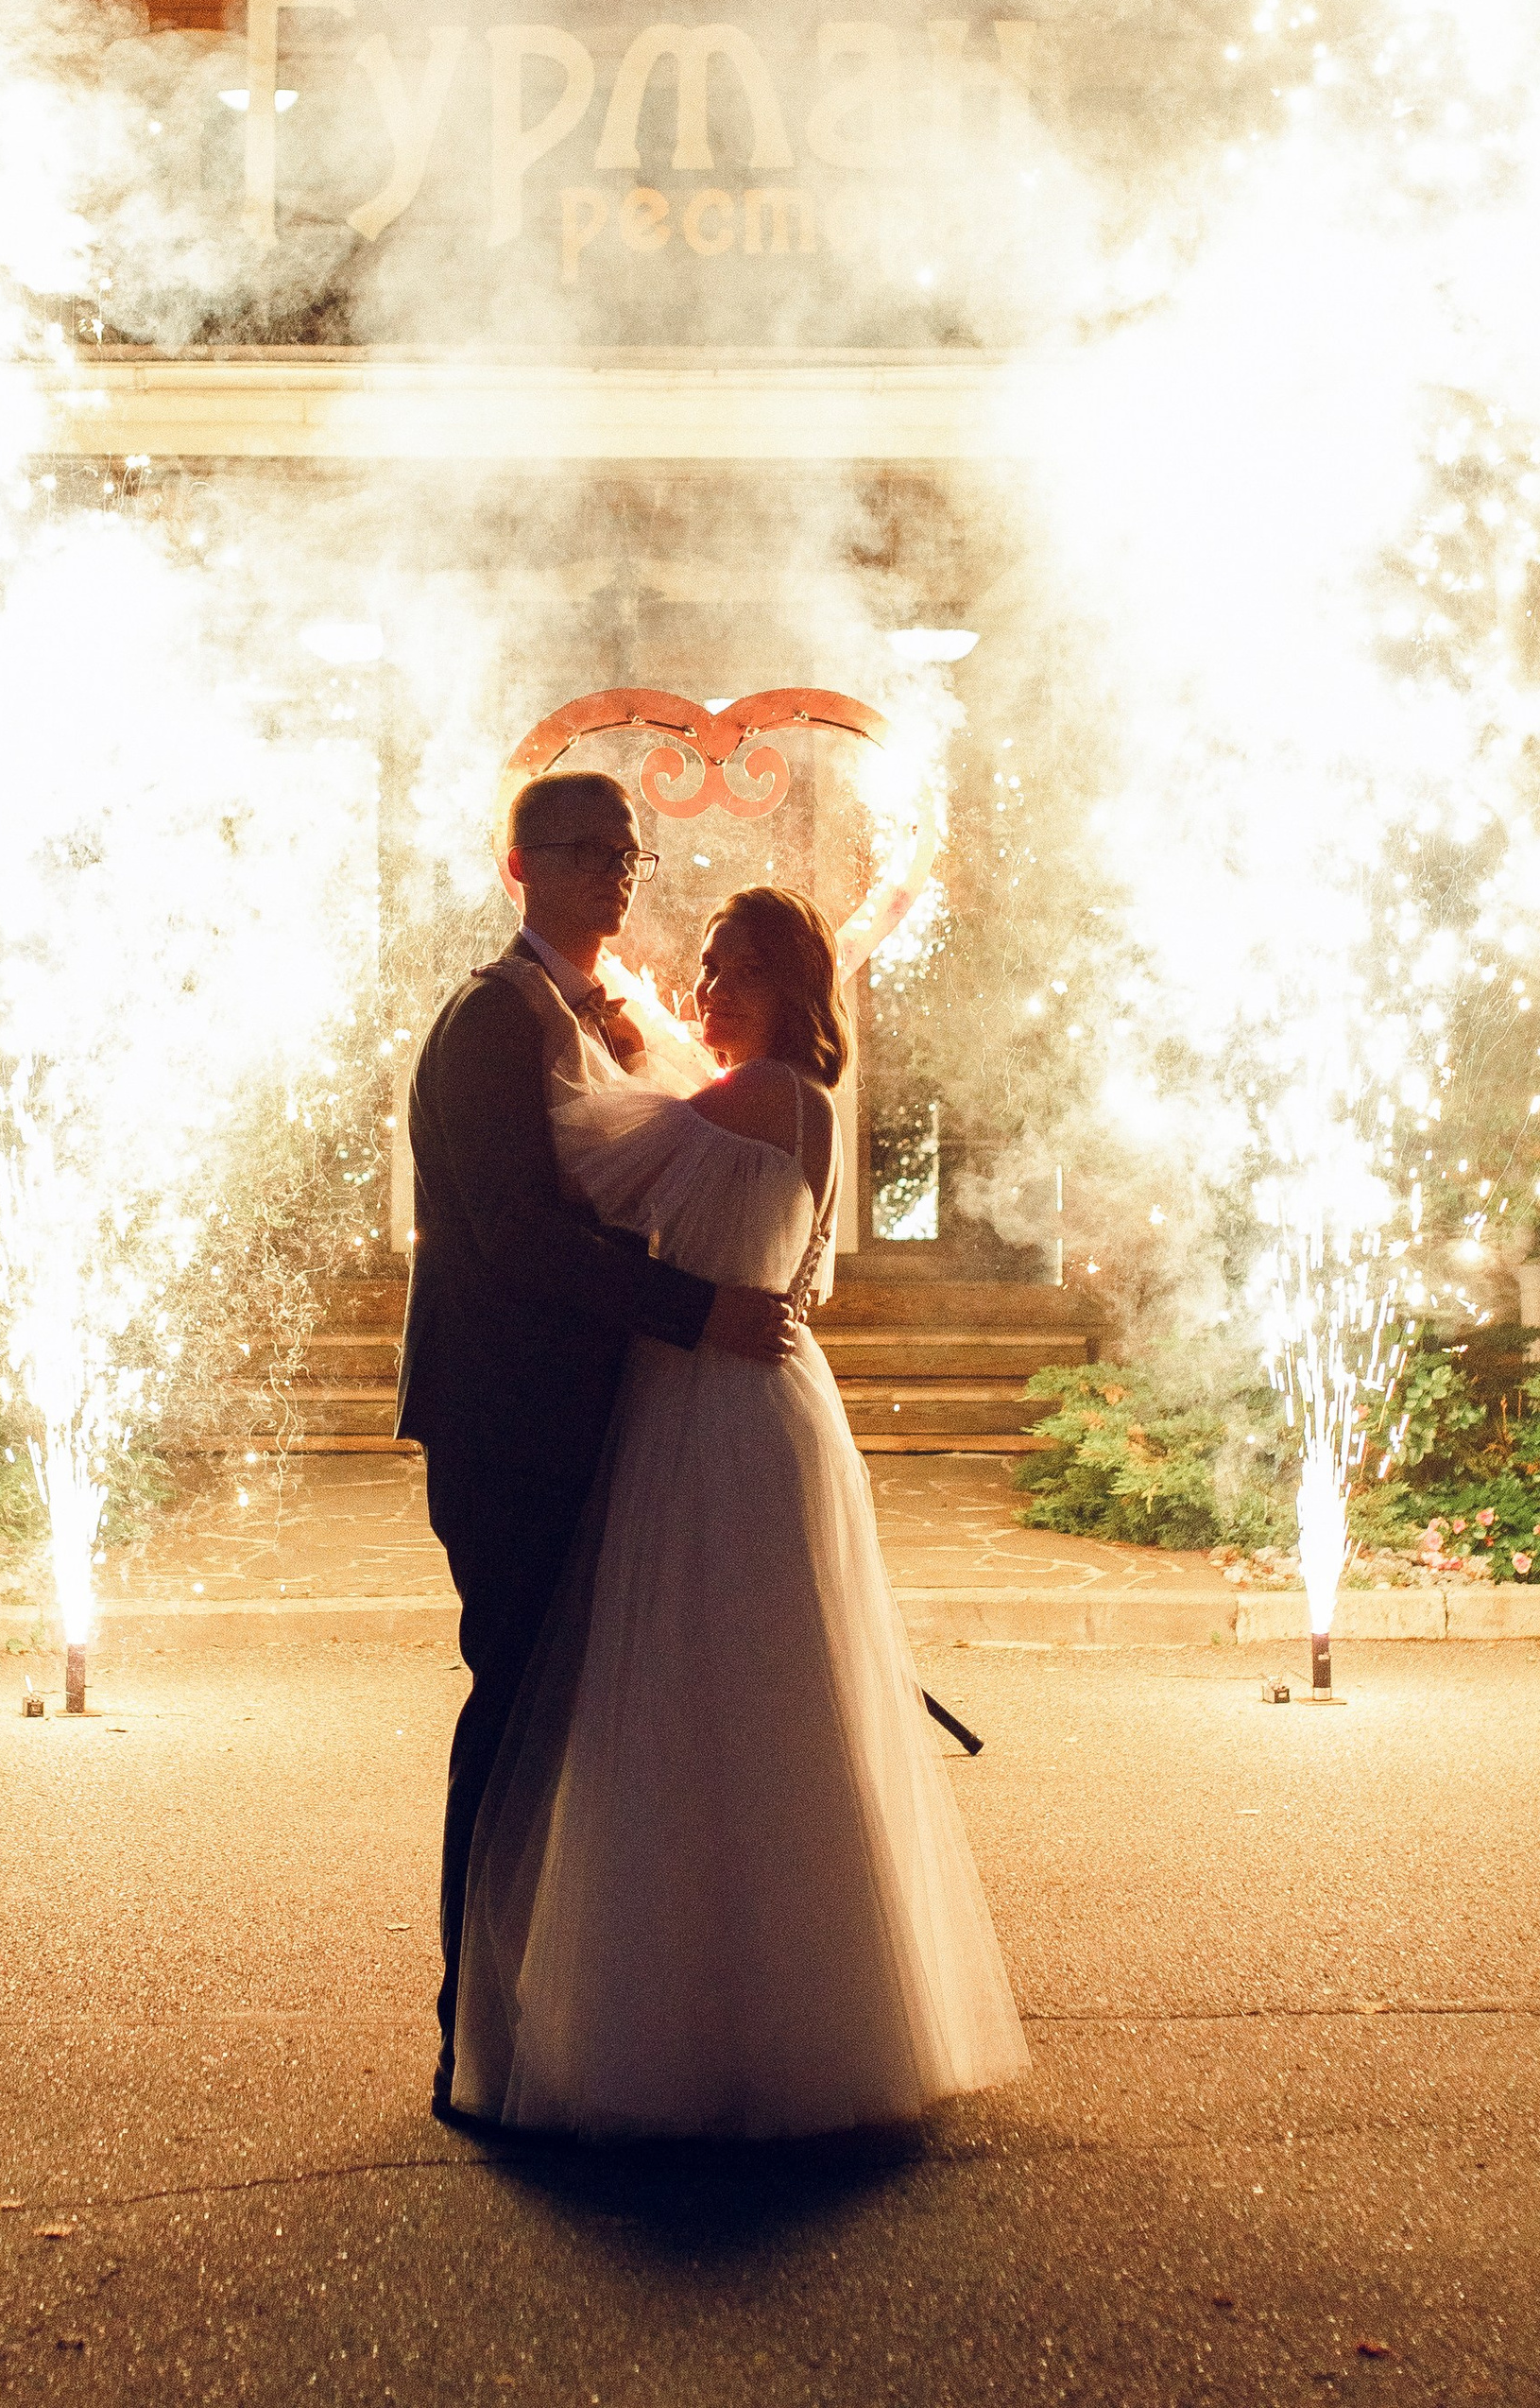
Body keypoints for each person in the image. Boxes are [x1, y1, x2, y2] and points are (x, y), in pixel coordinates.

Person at [450, 884, 1027, 2139]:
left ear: (793, 993)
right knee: (767, 1702)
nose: (709, 992)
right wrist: (640, 1015)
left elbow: (589, 1152)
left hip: (713, 1407)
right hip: (758, 1398)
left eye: (737, 973)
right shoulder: (790, 1104)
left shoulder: (763, 1098)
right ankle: (785, 2012)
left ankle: (682, 2022)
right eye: (705, 969)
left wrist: (575, 1015)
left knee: (690, 1697)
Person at [397, 767, 797, 2124]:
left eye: (627, 852)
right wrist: (698, 1311)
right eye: (582, 851)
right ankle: (471, 2035)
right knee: (513, 1716)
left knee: (569, 1722)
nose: (615, 873)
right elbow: (515, 1237)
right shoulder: (490, 1021)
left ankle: (543, 2024)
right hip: (508, 1418)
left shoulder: (593, 1014)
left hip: (585, 1411)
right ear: (519, 868)